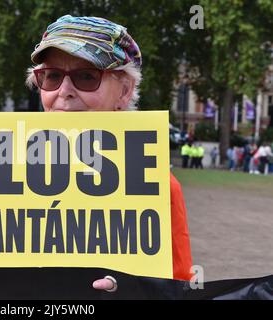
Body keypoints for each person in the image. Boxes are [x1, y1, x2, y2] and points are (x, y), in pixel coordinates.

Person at [27, 15, 193, 291]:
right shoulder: (0, 174)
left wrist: (131, 289)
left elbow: (178, 290)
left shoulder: (157, 187)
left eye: (87, 76)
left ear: (124, 92)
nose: (64, 92)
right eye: (53, 76)